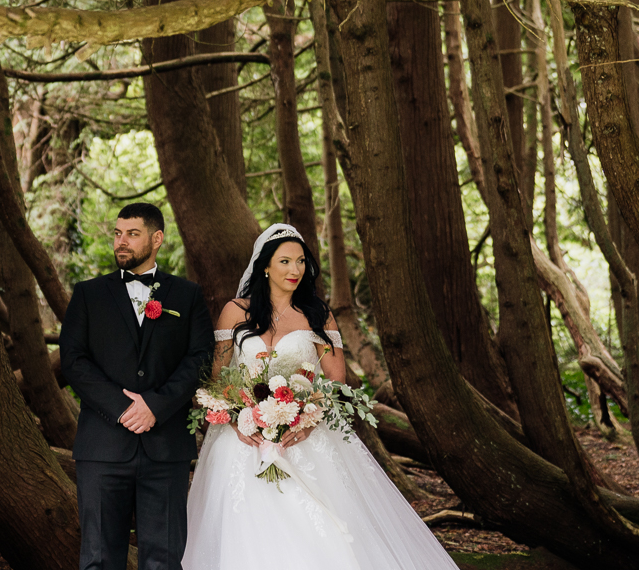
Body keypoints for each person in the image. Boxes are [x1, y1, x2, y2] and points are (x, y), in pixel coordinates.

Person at [184, 223, 458, 569]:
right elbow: (219, 377)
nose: (295, 270)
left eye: (300, 262)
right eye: (285, 261)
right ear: (265, 266)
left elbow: (335, 380)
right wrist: (240, 417)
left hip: (304, 436)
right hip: (242, 441)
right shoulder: (235, 311)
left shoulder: (317, 315)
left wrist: (308, 418)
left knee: (320, 526)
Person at [58, 202, 214, 570]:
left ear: (157, 239)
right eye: (117, 233)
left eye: (132, 234)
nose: (121, 242)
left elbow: (200, 359)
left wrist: (156, 406)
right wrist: (124, 408)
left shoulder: (187, 296)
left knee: (164, 558)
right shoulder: (88, 295)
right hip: (102, 448)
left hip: (166, 449)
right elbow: (74, 361)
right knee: (98, 559)